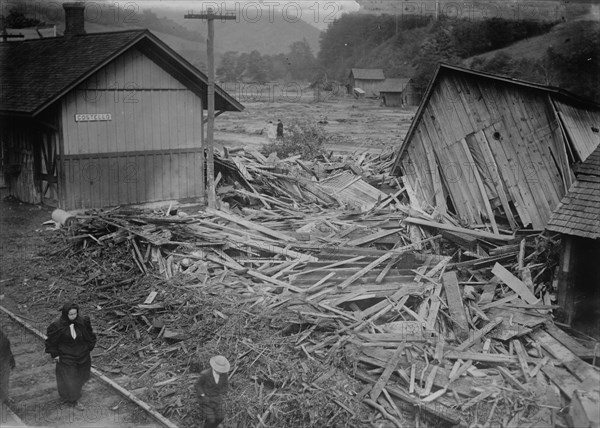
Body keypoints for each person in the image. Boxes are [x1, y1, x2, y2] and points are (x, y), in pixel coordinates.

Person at [45, 302, 96, 410]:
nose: (73, 316)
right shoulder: (57, 326)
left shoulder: (82, 321)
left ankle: (74, 392)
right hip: (66, 355)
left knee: (83, 375)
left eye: (75, 314)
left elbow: (90, 334)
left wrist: (88, 347)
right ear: (65, 314)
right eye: (70, 314)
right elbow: (51, 341)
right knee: (70, 377)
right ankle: (73, 400)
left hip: (82, 354)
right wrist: (55, 354)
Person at [195, 355, 230, 428]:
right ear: (214, 367)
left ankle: (213, 426)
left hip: (216, 399)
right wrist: (202, 395)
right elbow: (197, 385)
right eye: (219, 369)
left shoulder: (224, 375)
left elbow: (226, 385)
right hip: (206, 400)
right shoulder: (205, 374)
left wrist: (221, 392)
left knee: (220, 417)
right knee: (211, 420)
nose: (220, 372)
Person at [0, 328, 16, 404]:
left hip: (4, 362)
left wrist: (12, 360)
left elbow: (7, 349)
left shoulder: (2, 336)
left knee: (4, 381)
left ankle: (5, 398)